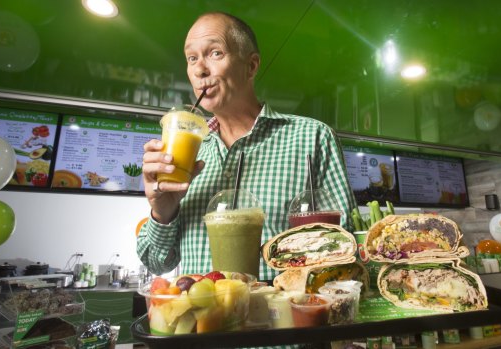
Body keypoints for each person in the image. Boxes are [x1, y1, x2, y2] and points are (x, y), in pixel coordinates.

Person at [137, 11, 356, 284]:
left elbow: (345, 247)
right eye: (192, 58)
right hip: (201, 321)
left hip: (279, 321)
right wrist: (162, 211)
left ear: (251, 66)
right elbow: (157, 261)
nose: (199, 69)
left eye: (214, 53)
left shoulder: (312, 137)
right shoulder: (188, 155)